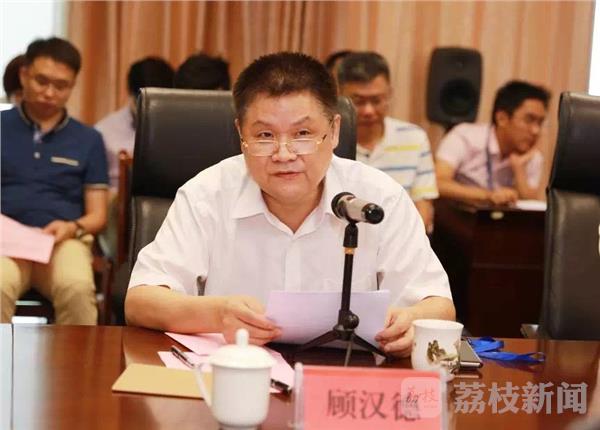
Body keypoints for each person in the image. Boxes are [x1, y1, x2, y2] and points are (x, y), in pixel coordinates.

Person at [125, 52, 454, 357]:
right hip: (233, 375)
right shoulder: (206, 195)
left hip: (346, 381)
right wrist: (217, 314)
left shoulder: (379, 198)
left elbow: (438, 305)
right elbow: (140, 301)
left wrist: (411, 321)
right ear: (241, 134)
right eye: (265, 136)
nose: (284, 154)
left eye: (303, 133)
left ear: (334, 131)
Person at [1, 37, 109, 324]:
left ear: (73, 86)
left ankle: (78, 357)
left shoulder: (89, 139)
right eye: (42, 81)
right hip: (6, 245)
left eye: (61, 86)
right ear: (24, 75)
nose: (49, 93)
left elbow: (98, 215)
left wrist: (72, 227)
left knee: (76, 287)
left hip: (63, 242)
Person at [337, 52, 438, 233]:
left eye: (376, 100)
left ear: (389, 94)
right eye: (358, 101)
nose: (368, 111)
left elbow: (423, 207)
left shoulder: (414, 138)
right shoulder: (328, 140)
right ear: (340, 95)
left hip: (400, 238)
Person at [435, 80, 551, 205]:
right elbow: (438, 183)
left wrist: (519, 169)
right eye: (529, 120)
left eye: (540, 122)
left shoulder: (532, 156)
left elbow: (531, 205)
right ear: (502, 118)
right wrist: (488, 196)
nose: (536, 130)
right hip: (459, 214)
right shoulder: (465, 137)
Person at [95, 57, 174, 191]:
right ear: (130, 93)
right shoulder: (103, 132)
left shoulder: (181, 132)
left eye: (158, 103)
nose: (150, 110)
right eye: (143, 102)